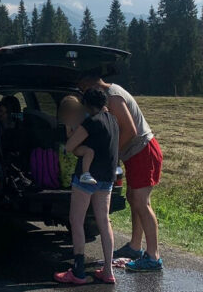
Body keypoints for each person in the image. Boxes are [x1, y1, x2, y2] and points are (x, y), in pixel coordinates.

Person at [78, 72, 163, 272]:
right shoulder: (110, 94)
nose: (83, 93)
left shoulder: (113, 97)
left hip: (143, 151)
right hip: (135, 154)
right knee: (134, 198)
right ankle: (134, 246)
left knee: (141, 202)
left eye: (83, 88)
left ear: (90, 82)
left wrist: (111, 154)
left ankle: (153, 256)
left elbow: (130, 130)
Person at [54, 89, 119, 285]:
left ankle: (78, 271)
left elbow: (69, 146)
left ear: (88, 106)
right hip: (107, 178)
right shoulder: (113, 121)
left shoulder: (92, 122)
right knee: (104, 222)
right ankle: (108, 271)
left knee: (76, 221)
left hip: (86, 178)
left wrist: (71, 132)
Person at [59, 96, 98, 185]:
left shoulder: (84, 117)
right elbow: (68, 135)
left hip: (87, 143)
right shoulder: (68, 121)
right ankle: (85, 174)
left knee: (92, 151)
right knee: (89, 152)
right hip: (76, 146)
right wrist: (78, 132)